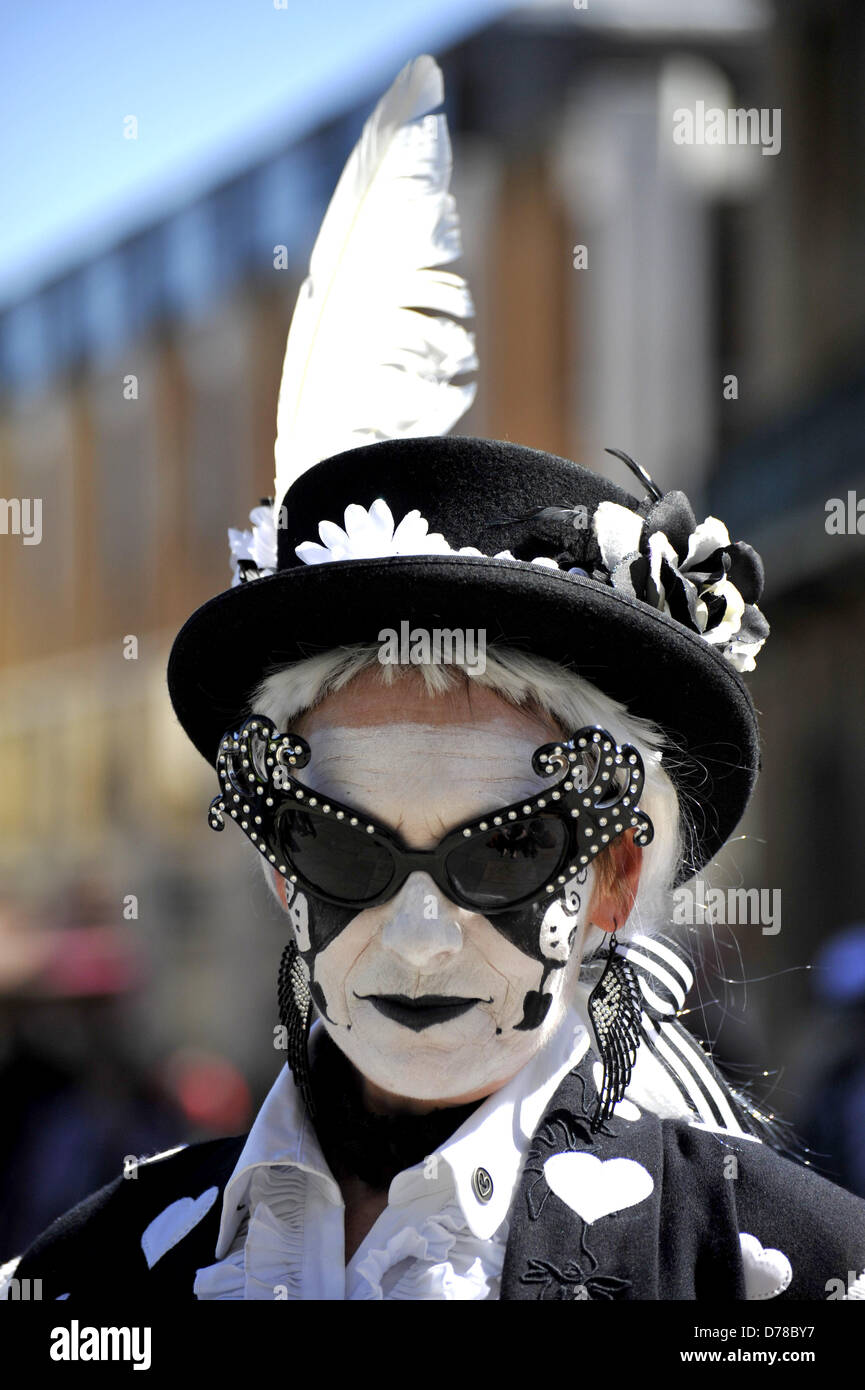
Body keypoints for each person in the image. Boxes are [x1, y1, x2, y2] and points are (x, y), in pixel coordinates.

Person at [3, 54, 865, 1303]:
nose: (417, 939)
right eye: (346, 847)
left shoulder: (782, 1282)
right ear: (277, 859)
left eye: (504, 851)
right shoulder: (83, 1282)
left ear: (618, 873)